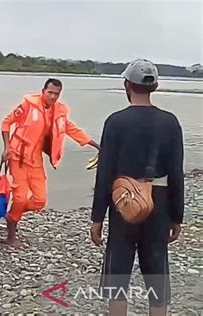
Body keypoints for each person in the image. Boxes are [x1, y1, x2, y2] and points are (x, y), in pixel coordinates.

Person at [90, 59, 184, 316]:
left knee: (118, 273)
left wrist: (97, 217)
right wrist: (177, 216)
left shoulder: (115, 122)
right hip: (160, 200)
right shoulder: (170, 122)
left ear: (126, 85)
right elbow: (177, 172)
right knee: (156, 273)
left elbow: (105, 171)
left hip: (123, 203)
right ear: (155, 86)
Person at [1, 78, 100, 248]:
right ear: (43, 91)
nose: (53, 97)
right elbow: (6, 122)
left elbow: (72, 130)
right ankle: (11, 235)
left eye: (56, 94)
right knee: (19, 197)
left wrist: (97, 145)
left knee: (40, 200)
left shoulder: (58, 113)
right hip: (18, 157)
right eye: (50, 92)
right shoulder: (27, 106)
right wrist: (6, 148)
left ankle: (12, 214)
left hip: (35, 160)